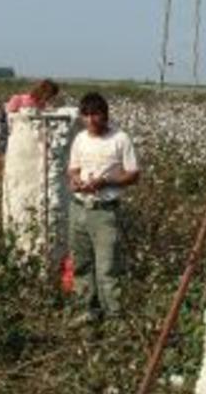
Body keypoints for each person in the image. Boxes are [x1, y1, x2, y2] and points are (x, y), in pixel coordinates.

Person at [67, 92, 140, 325]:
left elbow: (133, 174)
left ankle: (114, 318)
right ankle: (87, 311)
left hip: (105, 211)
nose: (91, 120)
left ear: (105, 115)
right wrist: (76, 181)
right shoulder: (80, 139)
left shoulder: (120, 139)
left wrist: (106, 182)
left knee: (107, 267)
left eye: (95, 114)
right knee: (82, 264)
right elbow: (73, 169)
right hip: (79, 208)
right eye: (86, 115)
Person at [0, 79, 60, 179]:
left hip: (23, 126)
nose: (49, 99)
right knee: (2, 140)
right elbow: (10, 112)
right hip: (6, 118)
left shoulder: (41, 104)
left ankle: (4, 168)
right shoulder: (21, 99)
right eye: (49, 96)